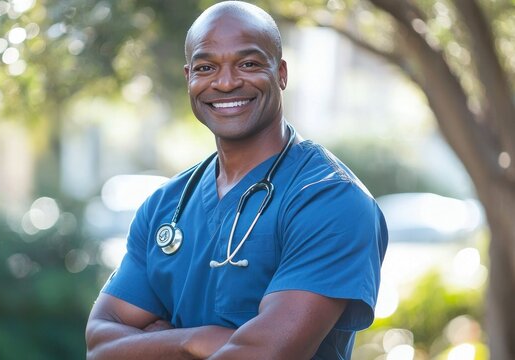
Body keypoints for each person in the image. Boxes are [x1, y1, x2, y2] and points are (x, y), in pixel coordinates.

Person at [85, 1, 388, 359]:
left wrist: (156, 342)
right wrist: (194, 340)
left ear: (281, 73)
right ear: (189, 79)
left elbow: (266, 354)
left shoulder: (331, 200)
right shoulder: (165, 205)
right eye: (206, 67)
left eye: (248, 64)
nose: (226, 82)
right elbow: (100, 344)